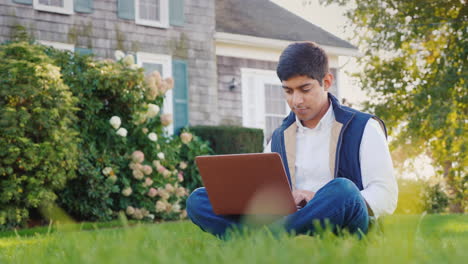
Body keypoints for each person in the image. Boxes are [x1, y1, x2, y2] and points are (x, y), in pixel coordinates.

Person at [186, 41, 398, 238]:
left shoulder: (364, 127)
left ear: (326, 82)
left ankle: (264, 239)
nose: (296, 100)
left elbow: (386, 196)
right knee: (199, 200)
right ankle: (279, 236)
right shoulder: (278, 137)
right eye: (288, 91)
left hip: (342, 222)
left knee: (343, 190)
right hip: (287, 215)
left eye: (305, 89)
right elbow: (262, 191)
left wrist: (317, 198)